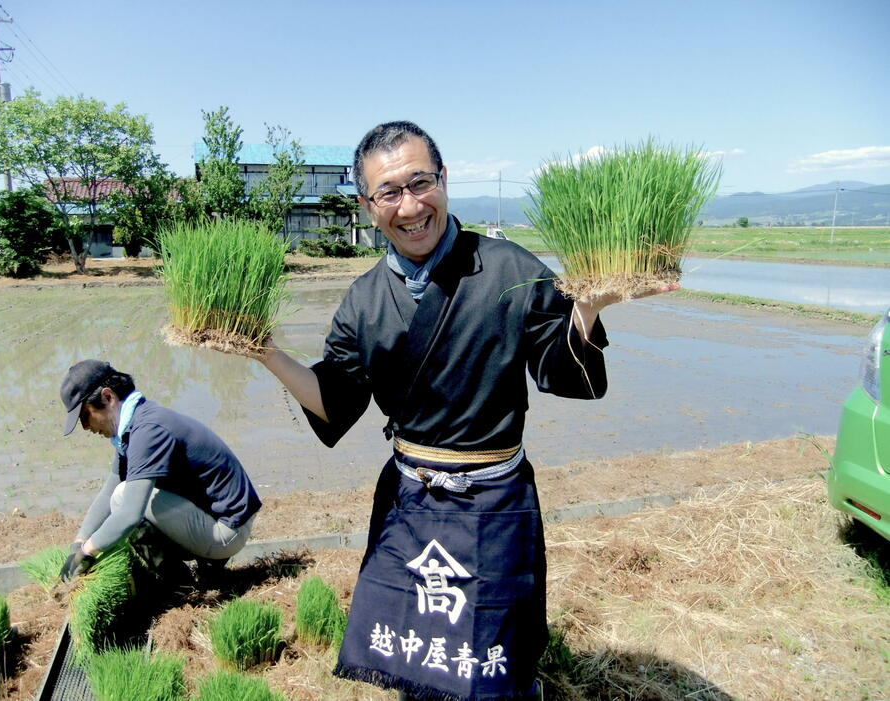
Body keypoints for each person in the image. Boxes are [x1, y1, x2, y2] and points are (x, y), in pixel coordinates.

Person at [246, 121, 677, 700]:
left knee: (498, 658)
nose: (410, 206)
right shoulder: (364, 299)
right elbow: (335, 400)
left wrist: (592, 304)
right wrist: (264, 352)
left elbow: (561, 368)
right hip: (411, 499)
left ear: (444, 179)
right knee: (419, 657)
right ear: (367, 205)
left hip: (494, 498)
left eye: (420, 183)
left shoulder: (509, 270)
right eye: (389, 193)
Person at [57, 359, 261, 584]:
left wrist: (87, 552)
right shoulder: (134, 425)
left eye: (85, 416)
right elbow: (110, 486)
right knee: (122, 492)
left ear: (108, 397)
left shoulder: (148, 431)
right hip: (214, 518)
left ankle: (178, 583)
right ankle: (204, 567)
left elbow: (128, 515)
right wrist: (79, 540)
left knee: (125, 497)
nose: (86, 427)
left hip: (226, 532)